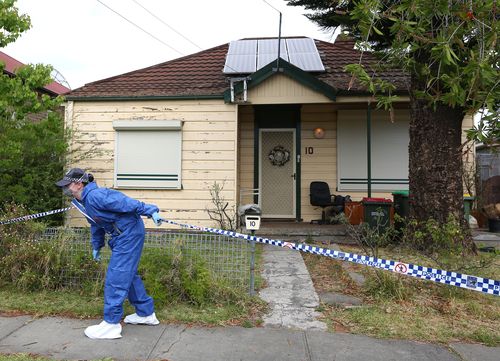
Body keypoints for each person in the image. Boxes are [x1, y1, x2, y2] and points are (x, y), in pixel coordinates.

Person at [55, 168, 163, 339]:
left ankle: (111, 324)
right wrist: (97, 245)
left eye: (67, 185)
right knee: (128, 275)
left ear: (78, 184)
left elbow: (125, 202)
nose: (65, 188)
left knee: (116, 276)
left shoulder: (96, 196)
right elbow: (96, 223)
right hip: (121, 235)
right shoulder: (85, 200)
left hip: (128, 234)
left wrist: (150, 210)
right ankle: (145, 314)